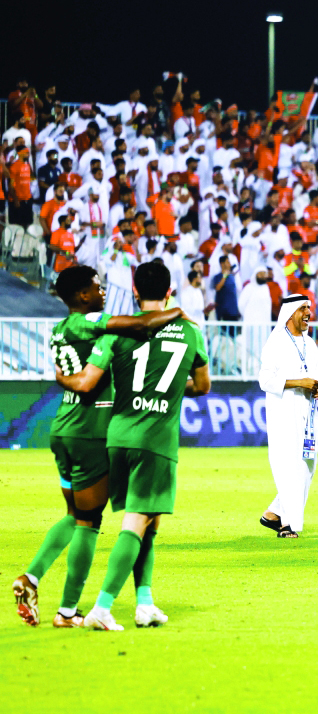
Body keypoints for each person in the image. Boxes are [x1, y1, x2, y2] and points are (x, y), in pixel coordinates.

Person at [12, 266, 184, 628]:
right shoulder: (90, 322)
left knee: (74, 514)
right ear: (82, 295)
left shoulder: (60, 330)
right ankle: (68, 611)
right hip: (91, 429)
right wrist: (175, 312)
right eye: (97, 287)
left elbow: (75, 374)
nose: (103, 292)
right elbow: (138, 326)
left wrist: (62, 379)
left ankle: (32, 577)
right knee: (90, 523)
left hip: (63, 427)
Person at [57, 261, 210, 630]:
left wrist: (62, 377)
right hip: (156, 439)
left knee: (149, 523)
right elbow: (203, 386)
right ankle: (102, 608)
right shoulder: (191, 332)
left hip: (119, 436)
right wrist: (172, 389)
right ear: (170, 292)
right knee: (137, 521)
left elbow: (90, 378)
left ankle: (145, 602)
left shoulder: (116, 331)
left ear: (136, 292)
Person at [258, 295, 318, 538]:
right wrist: (299, 382)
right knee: (289, 467)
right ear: (290, 313)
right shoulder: (275, 341)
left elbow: (317, 378)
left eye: (309, 308)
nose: (308, 312)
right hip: (284, 416)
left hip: (308, 416)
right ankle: (287, 524)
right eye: (303, 308)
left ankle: (274, 513)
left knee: (308, 466)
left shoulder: (311, 344)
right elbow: (265, 380)